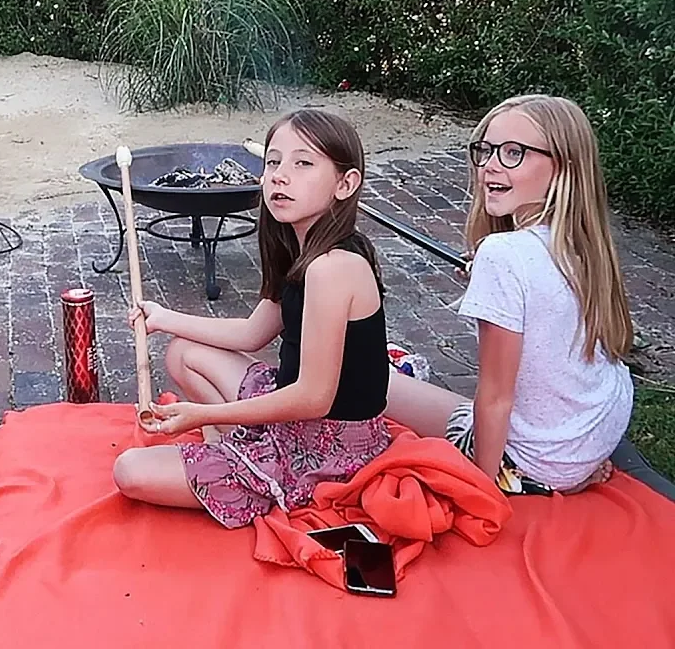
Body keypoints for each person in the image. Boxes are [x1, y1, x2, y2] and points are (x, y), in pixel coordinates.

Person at [112, 109, 391, 529]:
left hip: (326, 448)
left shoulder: (333, 266)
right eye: (274, 162)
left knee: (130, 471)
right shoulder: (298, 247)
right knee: (184, 353)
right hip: (293, 413)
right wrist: (162, 318)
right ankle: (232, 448)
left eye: (303, 163)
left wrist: (202, 416)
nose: (280, 176)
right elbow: (252, 333)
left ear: (345, 184)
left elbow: (315, 398)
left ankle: (243, 462)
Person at [384, 94, 632, 496]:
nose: (491, 166)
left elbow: (496, 398)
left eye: (515, 152)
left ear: (562, 167)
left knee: (363, 380)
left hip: (528, 463)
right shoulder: (583, 244)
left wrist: (479, 489)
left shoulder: (502, 255)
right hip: (588, 440)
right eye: (486, 150)